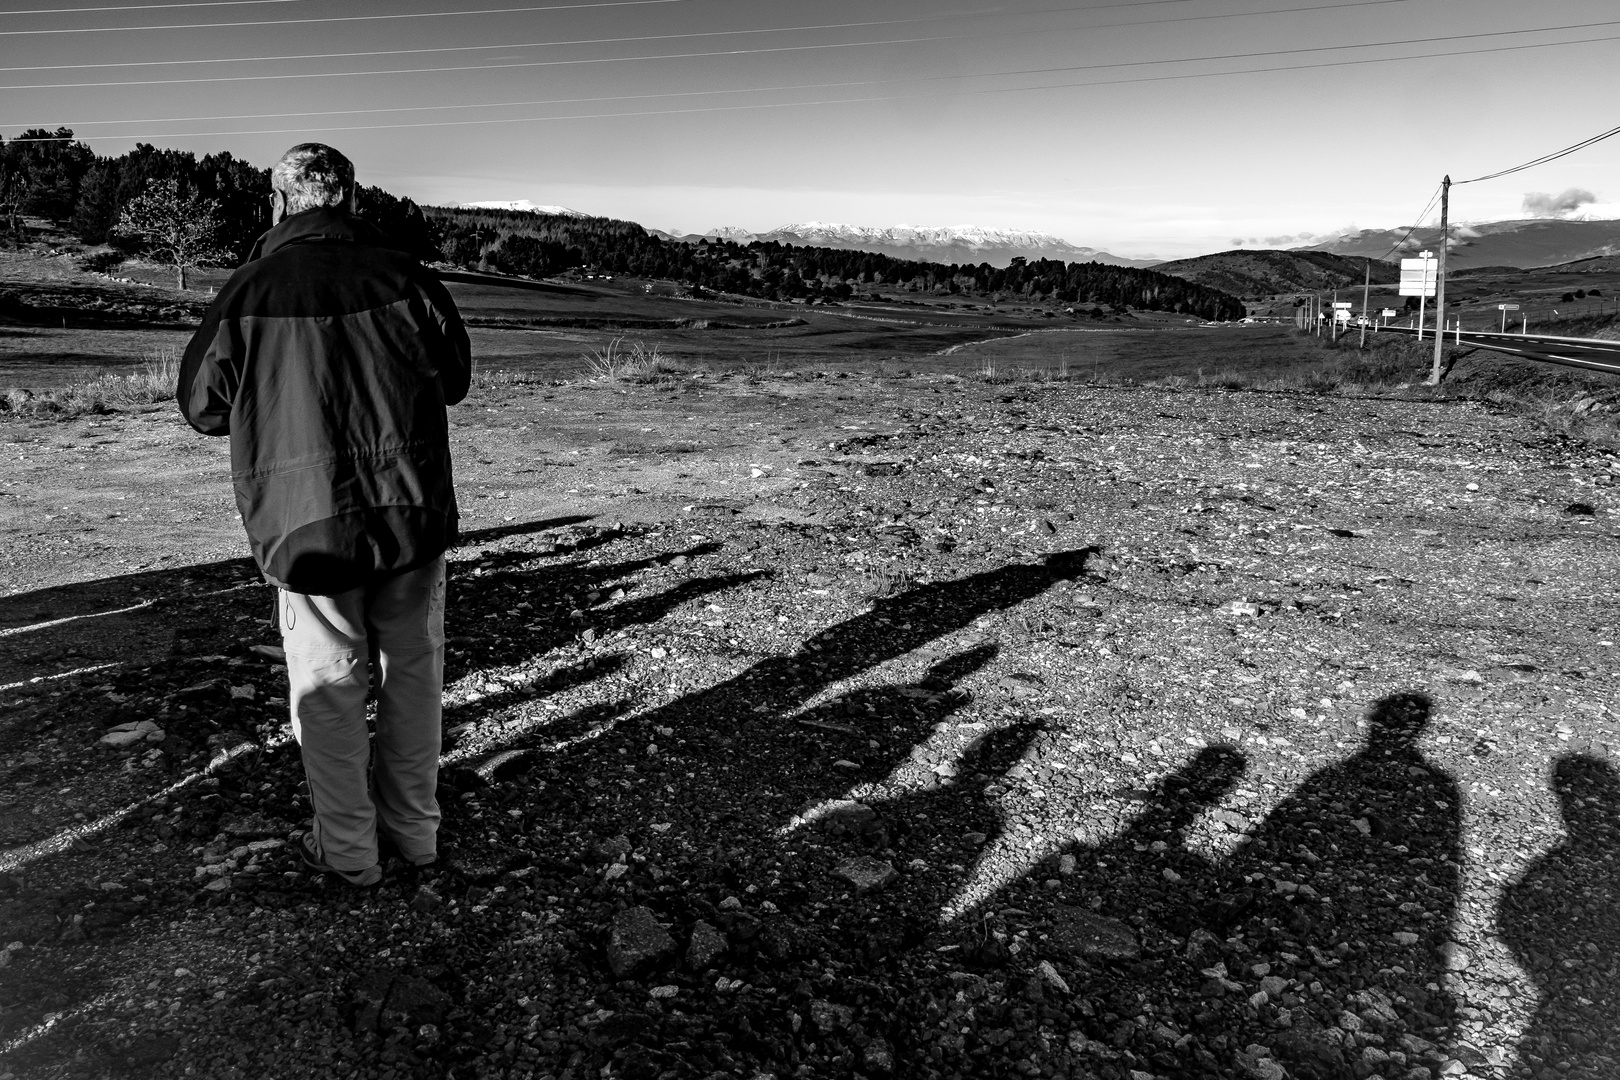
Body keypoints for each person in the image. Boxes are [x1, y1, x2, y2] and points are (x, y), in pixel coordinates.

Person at [178, 143, 471, 886]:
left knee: (330, 688)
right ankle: (417, 835)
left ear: (277, 203)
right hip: (410, 512)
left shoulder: (250, 289)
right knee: (413, 675)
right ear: (349, 199)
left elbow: (204, 408)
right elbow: (456, 380)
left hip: (308, 527)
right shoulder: (408, 276)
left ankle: (349, 854)